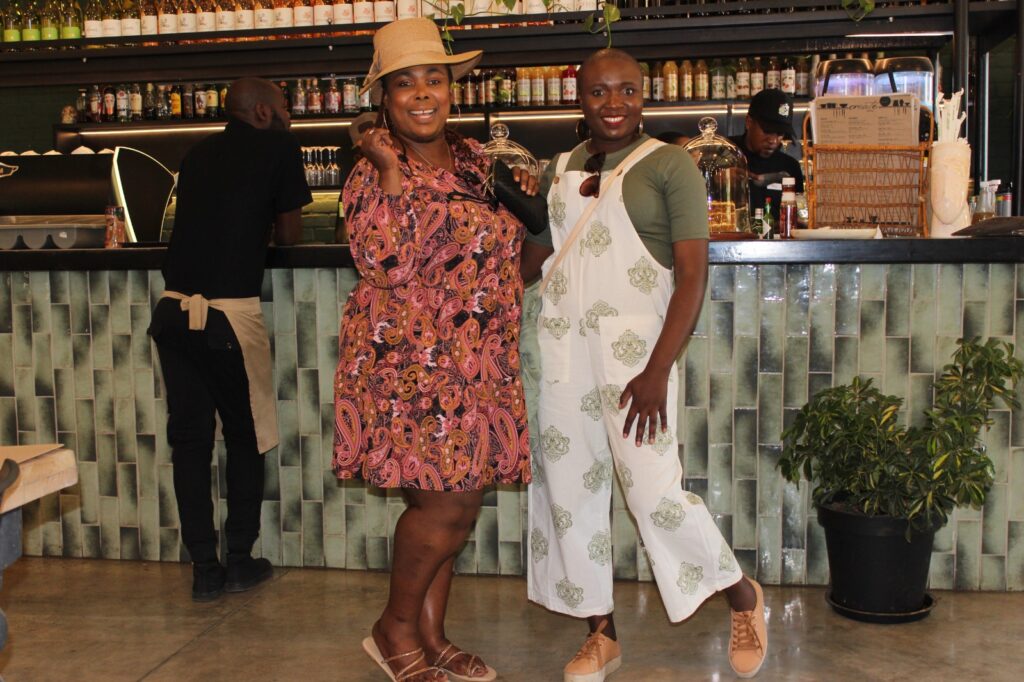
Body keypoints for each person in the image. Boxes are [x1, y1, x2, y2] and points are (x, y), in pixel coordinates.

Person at [520, 49, 768, 681]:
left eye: (626, 91)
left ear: (644, 94)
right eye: (599, 92)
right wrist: (504, 211)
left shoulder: (670, 163)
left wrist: (659, 370)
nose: (613, 104)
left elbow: (691, 277)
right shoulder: (559, 168)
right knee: (570, 493)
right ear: (578, 97)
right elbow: (537, 263)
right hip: (562, 353)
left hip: (637, 362)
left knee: (653, 491)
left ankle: (740, 592)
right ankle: (600, 633)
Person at [332, 18, 535, 682]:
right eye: (404, 83)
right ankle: (394, 629)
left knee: (460, 501)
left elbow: (516, 249)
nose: (422, 93)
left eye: (434, 78)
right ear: (384, 97)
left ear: (451, 87)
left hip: (477, 363)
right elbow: (384, 261)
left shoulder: (477, 161)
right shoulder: (372, 170)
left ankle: (431, 634)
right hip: (410, 367)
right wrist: (392, 173)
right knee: (441, 506)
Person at [148, 77, 312, 602]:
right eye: (283, 105)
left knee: (190, 442)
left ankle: (204, 569)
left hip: (172, 312)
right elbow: (289, 235)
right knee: (246, 437)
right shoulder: (281, 145)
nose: (289, 113)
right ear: (264, 112)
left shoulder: (197, 153)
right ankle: (240, 559)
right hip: (226, 318)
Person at [729, 88, 804, 225]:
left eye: (780, 134)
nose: (773, 140)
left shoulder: (790, 167)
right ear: (749, 122)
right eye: (767, 131)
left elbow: (800, 217)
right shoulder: (726, 153)